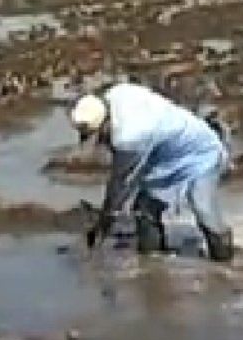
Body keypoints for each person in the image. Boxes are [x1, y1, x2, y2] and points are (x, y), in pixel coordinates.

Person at [71, 82, 234, 262]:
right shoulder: (117, 93)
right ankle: (153, 263)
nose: (100, 141)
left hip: (200, 151)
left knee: (203, 208)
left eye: (98, 134)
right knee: (145, 210)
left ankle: (224, 262)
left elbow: (121, 184)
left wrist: (103, 225)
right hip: (165, 153)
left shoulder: (129, 135)